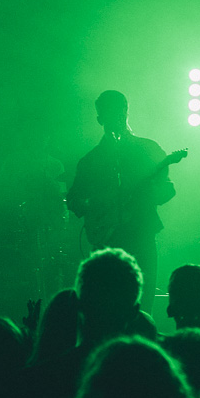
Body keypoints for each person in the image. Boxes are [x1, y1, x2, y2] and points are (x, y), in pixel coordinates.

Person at [67, 90, 178, 302]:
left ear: (126, 112)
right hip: (106, 241)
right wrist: (95, 203)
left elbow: (166, 190)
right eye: (109, 114)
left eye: (120, 112)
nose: (116, 118)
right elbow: (73, 200)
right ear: (100, 119)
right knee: (105, 307)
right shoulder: (90, 160)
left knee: (143, 306)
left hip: (140, 237)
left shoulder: (148, 149)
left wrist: (156, 192)